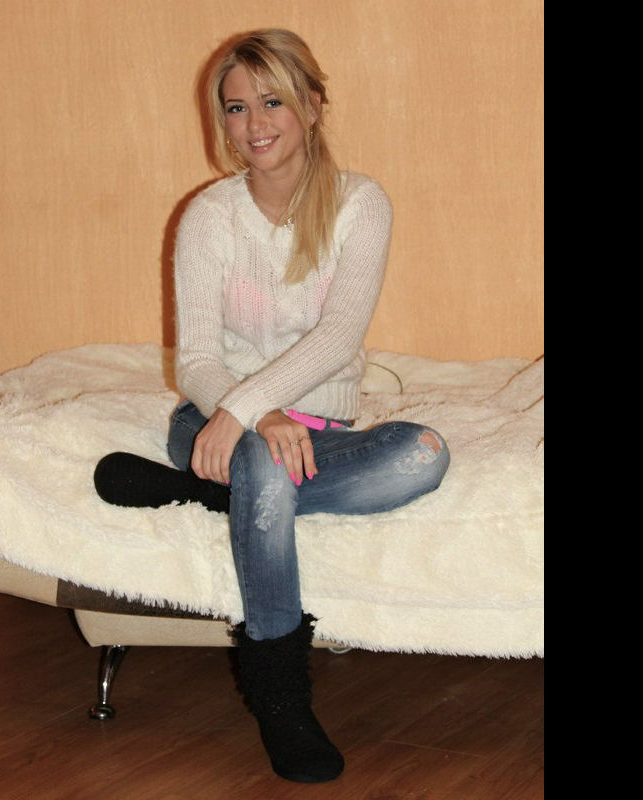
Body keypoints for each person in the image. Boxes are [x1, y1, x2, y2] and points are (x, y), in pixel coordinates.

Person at [94, 28, 450, 784]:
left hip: (311, 428)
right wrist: (254, 415)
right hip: (214, 420)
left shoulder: (360, 204)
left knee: (424, 454)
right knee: (262, 458)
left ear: (313, 106)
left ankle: (209, 491)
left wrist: (259, 409)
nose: (254, 124)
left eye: (273, 102)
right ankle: (282, 698)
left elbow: (338, 337)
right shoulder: (208, 217)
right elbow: (196, 361)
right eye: (236, 108)